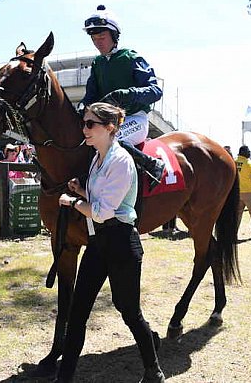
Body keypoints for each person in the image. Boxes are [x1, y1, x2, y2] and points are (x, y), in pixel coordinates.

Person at [56, 102, 164, 383]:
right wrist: (82, 190)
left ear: (110, 128)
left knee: (129, 311)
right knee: (77, 313)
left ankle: (153, 370)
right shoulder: (97, 158)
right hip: (98, 242)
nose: (85, 129)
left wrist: (74, 201)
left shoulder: (121, 161)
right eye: (84, 123)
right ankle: (64, 377)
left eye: (90, 124)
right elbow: (100, 204)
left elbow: (103, 212)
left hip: (120, 244)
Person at [78, 4, 165, 190]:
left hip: (135, 119)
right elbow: (90, 96)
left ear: (114, 36)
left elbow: (156, 91)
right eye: (94, 38)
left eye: (101, 37)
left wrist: (127, 95)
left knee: (111, 140)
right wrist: (82, 106)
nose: (97, 42)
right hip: (107, 123)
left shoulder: (131, 57)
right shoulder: (97, 63)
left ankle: (152, 164)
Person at [236, 145, 251, 238]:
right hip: (249, 192)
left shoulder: (234, 162)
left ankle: (233, 233)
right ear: (244, 153)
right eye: (248, 151)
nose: (249, 153)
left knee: (237, 215)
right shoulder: (248, 163)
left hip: (237, 192)